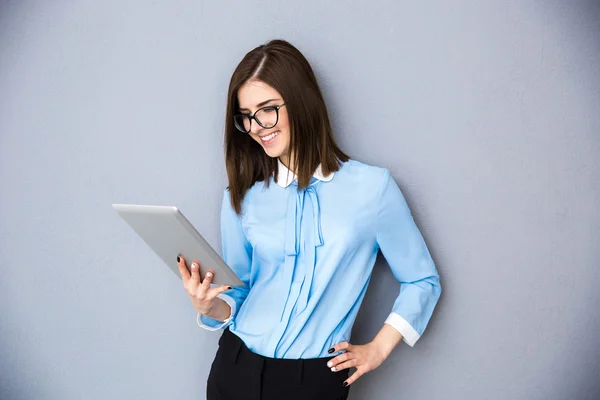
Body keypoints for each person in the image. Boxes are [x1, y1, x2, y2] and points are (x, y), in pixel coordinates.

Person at [176, 39, 442, 400]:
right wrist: (208, 306)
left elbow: (422, 280)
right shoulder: (243, 196)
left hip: (312, 381)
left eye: (267, 109)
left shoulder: (372, 188)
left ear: (300, 101)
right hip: (235, 366)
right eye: (246, 116)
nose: (257, 127)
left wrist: (378, 348)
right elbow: (238, 290)